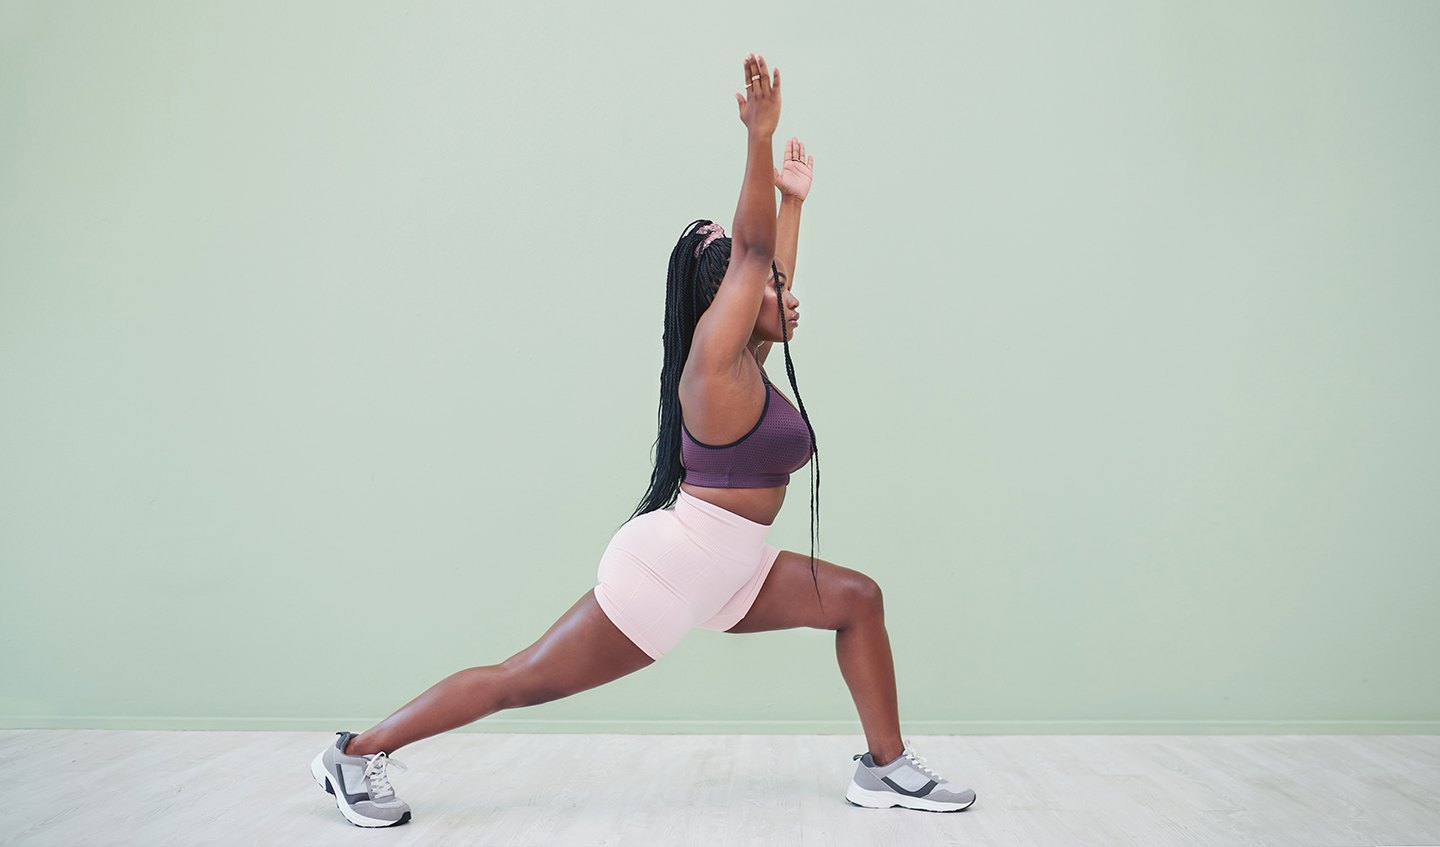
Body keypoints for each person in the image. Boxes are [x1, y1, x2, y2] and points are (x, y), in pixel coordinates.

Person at [309, 52, 976, 828]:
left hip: (732, 569)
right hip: (669, 569)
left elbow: (772, 265)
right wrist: (759, 140)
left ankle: (886, 766)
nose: (784, 296)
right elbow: (757, 258)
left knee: (859, 600)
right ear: (725, 299)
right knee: (520, 678)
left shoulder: (747, 363)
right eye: (762, 288)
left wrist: (793, 203)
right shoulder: (712, 368)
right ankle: (355, 751)